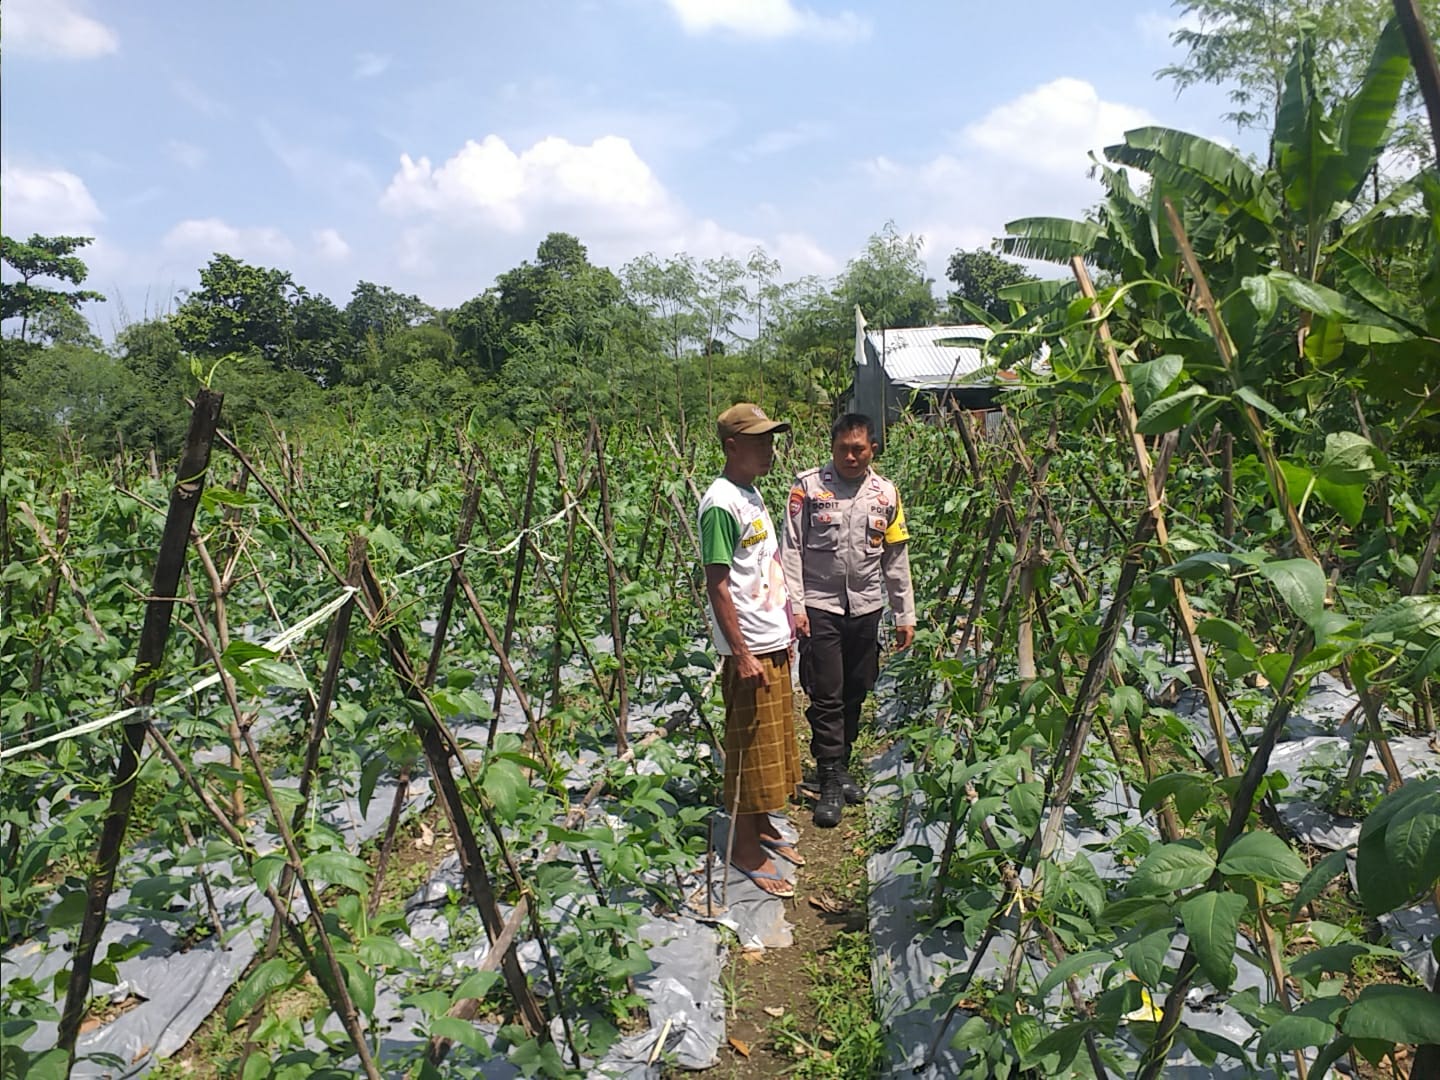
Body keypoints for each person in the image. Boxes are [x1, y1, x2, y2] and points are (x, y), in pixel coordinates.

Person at [782, 412, 915, 828]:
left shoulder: (886, 494)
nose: (851, 456)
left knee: (858, 688)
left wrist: (904, 613)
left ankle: (842, 764)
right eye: (843, 449)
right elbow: (790, 550)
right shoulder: (808, 489)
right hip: (820, 606)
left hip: (866, 607)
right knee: (827, 694)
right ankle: (828, 777)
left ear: (873, 448)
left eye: (859, 448)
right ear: (832, 448)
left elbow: (895, 557)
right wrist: (797, 608)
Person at [699, 403, 804, 898]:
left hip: (772, 637)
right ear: (732, 446)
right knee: (747, 751)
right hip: (753, 648)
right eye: (759, 440)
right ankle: (743, 849)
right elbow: (718, 584)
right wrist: (741, 653)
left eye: (771, 439)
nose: (769, 448)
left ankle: (761, 827)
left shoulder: (749, 492)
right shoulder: (720, 503)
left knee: (770, 746)